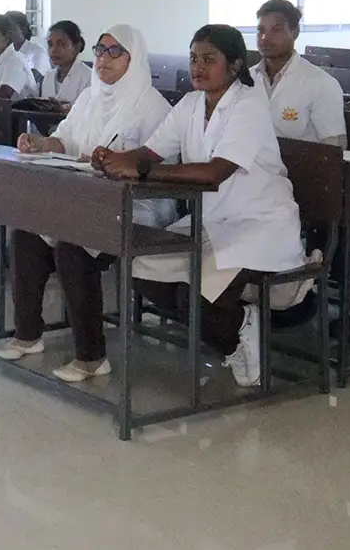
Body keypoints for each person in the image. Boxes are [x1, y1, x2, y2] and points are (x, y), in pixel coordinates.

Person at [92, 25, 305, 388]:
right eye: (193, 58)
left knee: (197, 293)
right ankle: (232, 328)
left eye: (209, 59)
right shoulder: (191, 104)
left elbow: (214, 173)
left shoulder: (249, 106)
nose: (198, 67)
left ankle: (238, 334)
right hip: (211, 219)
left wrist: (140, 168)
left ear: (235, 65)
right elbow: (152, 151)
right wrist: (113, 158)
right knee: (142, 267)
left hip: (260, 222)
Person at [0, 25, 175, 380]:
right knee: (26, 237)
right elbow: (65, 139)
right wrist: (41, 143)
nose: (103, 59)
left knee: (72, 247)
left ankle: (92, 357)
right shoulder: (90, 97)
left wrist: (113, 163)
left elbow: (157, 164)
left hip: (136, 205)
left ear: (133, 58)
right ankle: (28, 335)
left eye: (114, 52)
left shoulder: (151, 105)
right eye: (99, 50)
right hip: (83, 199)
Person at [253, 0, 347, 142]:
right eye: (260, 30)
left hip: (299, 163)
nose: (265, 38)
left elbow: (333, 147)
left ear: (295, 32)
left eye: (276, 30)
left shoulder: (321, 83)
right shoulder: (246, 79)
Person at [35, 20, 93, 107]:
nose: (53, 50)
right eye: (50, 44)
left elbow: (89, 113)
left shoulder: (89, 77)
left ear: (77, 47)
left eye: (61, 44)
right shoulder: (48, 77)